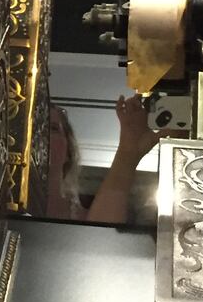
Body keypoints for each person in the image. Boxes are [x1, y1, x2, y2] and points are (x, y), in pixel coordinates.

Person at [46, 94, 168, 224]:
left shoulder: (89, 220)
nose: (41, 134)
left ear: (68, 151)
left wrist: (129, 151)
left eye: (53, 128)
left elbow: (96, 236)